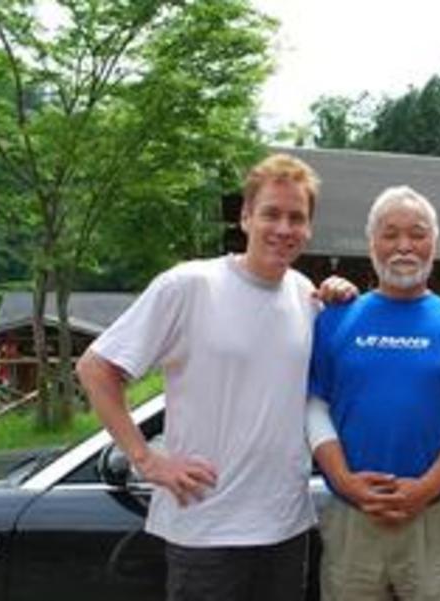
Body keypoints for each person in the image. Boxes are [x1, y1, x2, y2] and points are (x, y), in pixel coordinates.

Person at [76, 153, 354, 601]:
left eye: (296, 218)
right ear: (245, 217)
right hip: (206, 529)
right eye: (271, 214)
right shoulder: (189, 285)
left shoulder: (306, 295)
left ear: (308, 228)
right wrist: (146, 459)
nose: (283, 228)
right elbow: (95, 368)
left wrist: (344, 298)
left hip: (286, 527)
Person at [307, 185, 440, 601]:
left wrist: (424, 490)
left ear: (435, 243)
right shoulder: (333, 320)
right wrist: (344, 481)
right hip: (351, 516)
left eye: (417, 233)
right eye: (390, 234)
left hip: (436, 516)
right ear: (371, 243)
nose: (404, 246)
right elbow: (315, 406)